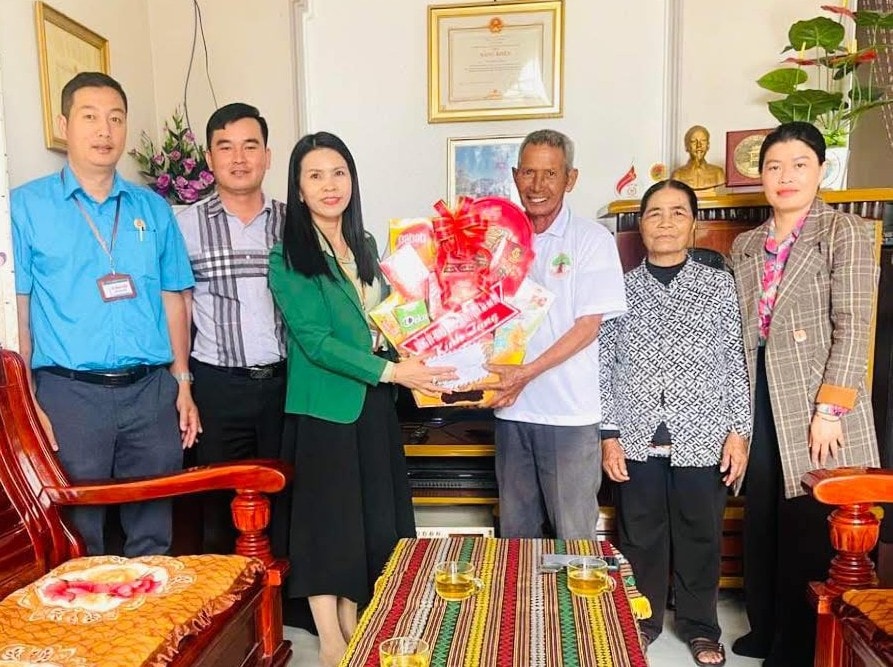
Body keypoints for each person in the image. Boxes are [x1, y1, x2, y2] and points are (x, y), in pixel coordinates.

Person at [268, 131, 455, 667]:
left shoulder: (369, 246)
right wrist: (393, 369)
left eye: (339, 173)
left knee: (367, 520)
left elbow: (389, 320)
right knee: (328, 525)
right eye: (315, 175)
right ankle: (330, 638)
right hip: (325, 407)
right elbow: (316, 341)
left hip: (373, 405)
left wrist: (437, 334)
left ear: (352, 180)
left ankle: (355, 619)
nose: (329, 186)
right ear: (299, 189)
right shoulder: (288, 257)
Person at [11, 72, 198, 557]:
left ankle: (151, 629)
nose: (104, 131)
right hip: (68, 395)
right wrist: (26, 401)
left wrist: (182, 382)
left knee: (155, 527)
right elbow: (20, 307)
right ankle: (89, 630)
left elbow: (174, 298)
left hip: (150, 391)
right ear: (63, 125)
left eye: (115, 119)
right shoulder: (25, 208)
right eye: (90, 117)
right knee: (78, 532)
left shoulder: (153, 208)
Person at [728, 121, 880, 667]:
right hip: (759, 395)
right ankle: (765, 628)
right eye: (773, 166)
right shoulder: (746, 245)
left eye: (798, 164)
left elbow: (855, 322)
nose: (785, 176)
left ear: (821, 171)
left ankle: (799, 644)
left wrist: (831, 408)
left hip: (818, 403)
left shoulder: (845, 233)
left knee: (807, 523)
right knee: (763, 515)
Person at [599, 179, 751, 666]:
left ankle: (701, 627)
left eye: (677, 212)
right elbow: (605, 364)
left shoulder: (717, 285)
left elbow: (733, 360)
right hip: (637, 434)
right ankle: (640, 622)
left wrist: (739, 432)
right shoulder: (620, 290)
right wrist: (609, 434)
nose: (665, 222)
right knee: (639, 535)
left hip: (703, 433)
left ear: (693, 223)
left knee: (700, 534)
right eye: (654, 213)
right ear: (640, 224)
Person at [487, 129, 627, 539]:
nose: (537, 185)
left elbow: (587, 328)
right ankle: (521, 607)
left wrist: (526, 372)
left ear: (571, 178)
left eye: (550, 174)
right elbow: (477, 314)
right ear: (514, 176)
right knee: (516, 537)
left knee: (573, 536)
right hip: (511, 412)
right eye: (528, 173)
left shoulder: (592, 240)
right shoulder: (499, 241)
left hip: (569, 416)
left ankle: (576, 609)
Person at [177, 103, 286, 554]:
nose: (239, 158)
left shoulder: (292, 222)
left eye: (249, 146)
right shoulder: (182, 224)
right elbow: (178, 306)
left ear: (267, 155)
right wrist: (182, 382)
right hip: (217, 385)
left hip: (285, 384)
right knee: (219, 507)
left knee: (288, 496)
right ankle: (231, 617)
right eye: (226, 147)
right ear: (209, 158)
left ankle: (289, 615)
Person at [671, 125, 726, 191]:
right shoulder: (678, 175)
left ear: (708, 145)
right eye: (693, 141)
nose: (699, 145)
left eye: (703, 140)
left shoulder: (718, 173)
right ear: (687, 146)